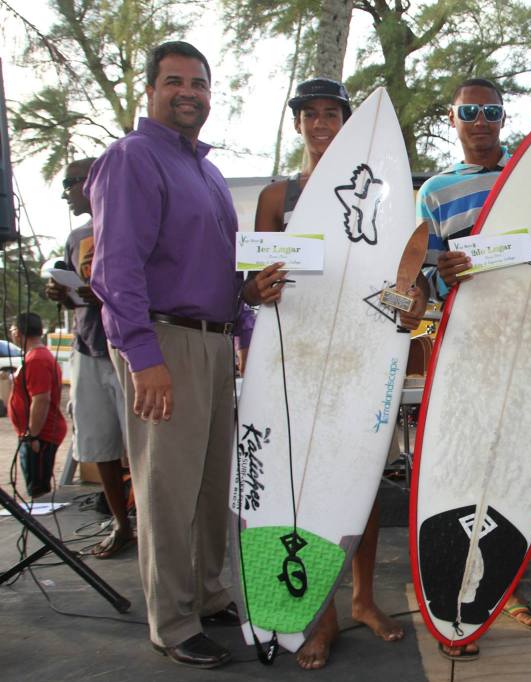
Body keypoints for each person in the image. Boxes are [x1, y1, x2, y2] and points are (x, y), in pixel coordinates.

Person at [87, 40, 284, 668]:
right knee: (168, 488)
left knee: (210, 484)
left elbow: (224, 271)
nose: (188, 93)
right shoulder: (132, 158)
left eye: (198, 83)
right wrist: (144, 357)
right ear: (149, 90)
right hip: (165, 340)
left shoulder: (208, 172)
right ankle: (171, 622)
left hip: (215, 340)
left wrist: (245, 323)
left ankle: (205, 592)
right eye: (174, 81)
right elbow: (116, 269)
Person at [252, 77, 414, 670]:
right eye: (310, 114)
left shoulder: (386, 195)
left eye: (332, 114)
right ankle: (320, 616)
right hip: (294, 355)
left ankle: (363, 598)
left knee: (360, 477)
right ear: (297, 123)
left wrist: (411, 304)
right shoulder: (277, 196)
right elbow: (251, 280)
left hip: (361, 354)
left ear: (347, 123)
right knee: (302, 483)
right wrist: (255, 289)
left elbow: (404, 281)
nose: (321, 124)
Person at [413, 77, 531, 661]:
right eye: (468, 111)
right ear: (453, 119)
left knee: (518, 468)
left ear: (502, 117)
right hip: (466, 346)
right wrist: (440, 273)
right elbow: (421, 278)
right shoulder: (436, 191)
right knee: (465, 467)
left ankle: (504, 587)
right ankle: (453, 597)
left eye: (490, 111)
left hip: (529, 345)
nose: (480, 121)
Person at [44, 157, 133, 558]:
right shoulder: (77, 236)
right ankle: (121, 523)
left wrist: (109, 295)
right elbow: (76, 290)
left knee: (143, 447)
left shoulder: (132, 223)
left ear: (92, 181)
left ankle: (151, 524)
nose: (66, 193)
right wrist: (62, 294)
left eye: (70, 184)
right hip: (88, 346)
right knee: (99, 443)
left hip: (130, 350)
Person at [7, 313, 67, 499]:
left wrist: (33, 435)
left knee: (38, 491)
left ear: (17, 332)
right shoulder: (34, 357)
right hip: (34, 433)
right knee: (36, 485)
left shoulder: (36, 359)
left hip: (40, 434)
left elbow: (41, 399)